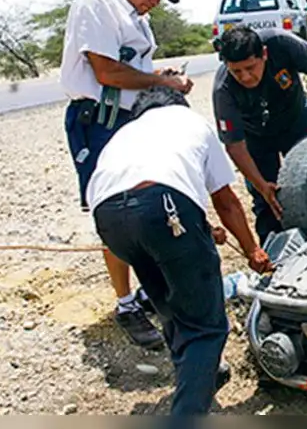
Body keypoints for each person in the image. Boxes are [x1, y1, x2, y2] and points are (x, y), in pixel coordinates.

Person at [87, 85, 273, 417]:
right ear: (179, 104)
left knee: (170, 302)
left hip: (109, 218)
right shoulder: (191, 121)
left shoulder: (125, 133)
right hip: (163, 204)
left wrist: (198, 228)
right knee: (206, 326)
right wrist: (251, 250)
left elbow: (153, 191)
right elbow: (226, 201)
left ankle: (203, 375)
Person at [59, 0, 193, 350]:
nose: (154, 1)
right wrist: (164, 84)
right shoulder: (98, 4)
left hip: (128, 119)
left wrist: (160, 77)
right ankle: (125, 303)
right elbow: (107, 72)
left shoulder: (138, 19)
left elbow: (133, 71)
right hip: (97, 120)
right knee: (112, 211)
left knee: (142, 203)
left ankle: (147, 289)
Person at [211, 25, 307, 238]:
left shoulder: (281, 43)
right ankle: (277, 255)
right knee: (268, 201)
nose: (245, 77)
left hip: (296, 121)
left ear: (264, 54)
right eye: (236, 71)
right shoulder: (223, 90)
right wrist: (261, 185)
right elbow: (234, 146)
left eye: (250, 67)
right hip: (256, 137)